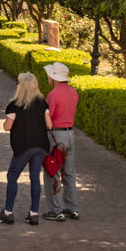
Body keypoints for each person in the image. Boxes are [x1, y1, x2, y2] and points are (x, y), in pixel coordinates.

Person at [0, 72, 52, 226]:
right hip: (40, 145)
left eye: (18, 83)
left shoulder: (15, 105)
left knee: (12, 176)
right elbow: (50, 125)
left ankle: (8, 212)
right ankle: (33, 214)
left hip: (23, 146)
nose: (17, 85)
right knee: (35, 179)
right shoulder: (42, 103)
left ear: (22, 86)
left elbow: (7, 127)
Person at [42, 62, 80, 221]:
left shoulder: (53, 94)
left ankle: (56, 210)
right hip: (70, 134)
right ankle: (72, 208)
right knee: (69, 173)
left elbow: (48, 118)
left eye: (49, 75)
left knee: (53, 172)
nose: (47, 77)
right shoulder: (73, 92)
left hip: (56, 136)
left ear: (54, 77)